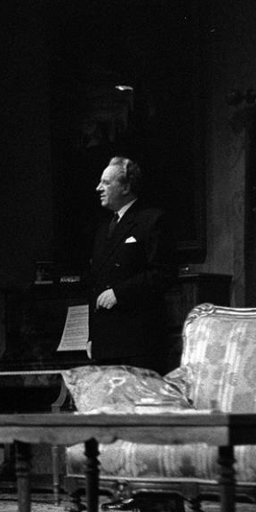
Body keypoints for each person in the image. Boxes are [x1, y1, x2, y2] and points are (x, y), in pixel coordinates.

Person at [86, 156, 179, 375]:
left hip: (138, 344)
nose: (98, 188)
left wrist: (119, 293)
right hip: (106, 343)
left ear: (126, 187)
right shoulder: (103, 229)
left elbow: (163, 274)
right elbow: (95, 284)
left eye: (106, 183)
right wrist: (93, 337)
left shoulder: (152, 221)